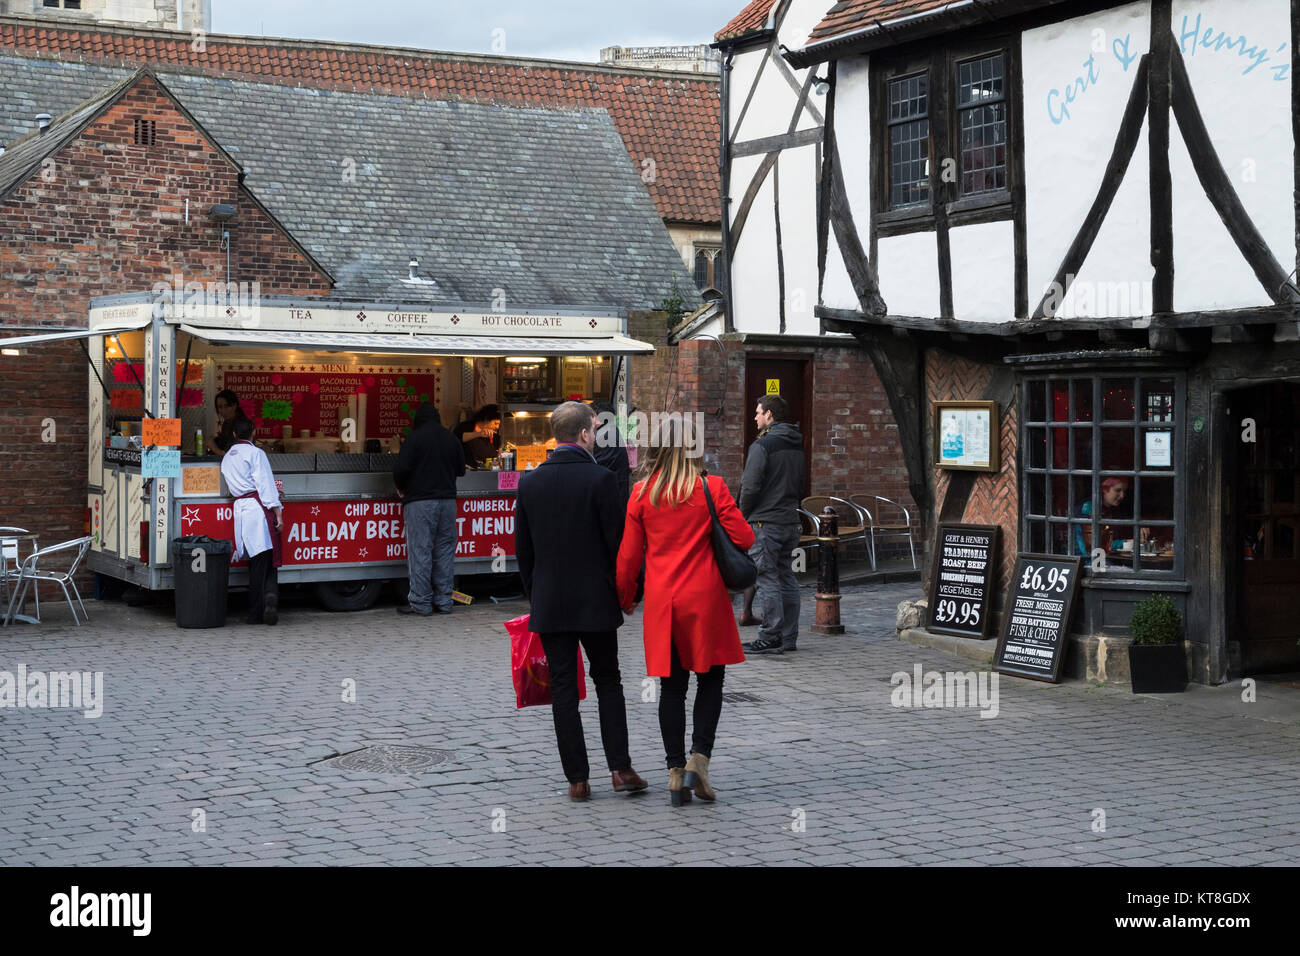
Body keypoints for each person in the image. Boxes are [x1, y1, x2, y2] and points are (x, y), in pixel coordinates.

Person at [514, 401, 648, 801]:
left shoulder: (530, 483)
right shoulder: (602, 480)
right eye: (595, 429)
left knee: (563, 691)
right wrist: (629, 593)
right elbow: (618, 548)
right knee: (608, 681)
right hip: (596, 601)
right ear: (586, 434)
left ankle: (577, 779)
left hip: (551, 602)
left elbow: (523, 551)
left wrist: (535, 594)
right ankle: (620, 768)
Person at [617, 430, 754, 807]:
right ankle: (700, 760)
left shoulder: (641, 493)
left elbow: (628, 558)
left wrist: (626, 599)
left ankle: (675, 772)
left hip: (665, 603)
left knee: (672, 689)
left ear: (654, 454)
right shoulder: (711, 487)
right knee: (711, 681)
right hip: (705, 597)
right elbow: (744, 538)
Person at [739, 394, 805, 655]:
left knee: (767, 578)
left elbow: (750, 486)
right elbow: (799, 483)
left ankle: (770, 635)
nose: (755, 417)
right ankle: (788, 636)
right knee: (786, 576)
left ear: (769, 415)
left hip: (765, 522)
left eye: (758, 412)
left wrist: (742, 515)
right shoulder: (796, 444)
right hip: (790, 519)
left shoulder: (762, 446)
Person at [393, 403, 465, 615]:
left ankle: (421, 603)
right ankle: (444, 601)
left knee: (421, 551)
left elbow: (402, 469)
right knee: (444, 552)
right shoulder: (451, 438)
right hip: (448, 502)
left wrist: (400, 487)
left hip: (420, 503)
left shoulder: (414, 439)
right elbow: (461, 470)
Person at [220, 417, 283, 625]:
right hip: (258, 510)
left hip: (241, 509)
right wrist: (278, 512)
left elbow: (232, 488)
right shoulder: (256, 453)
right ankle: (262, 606)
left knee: (256, 562)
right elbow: (265, 484)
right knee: (264, 560)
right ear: (254, 433)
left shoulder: (227, 457)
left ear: (235, 435)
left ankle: (260, 606)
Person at [591, 399, 631, 503]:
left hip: (611, 498)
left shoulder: (606, 436)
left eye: (591, 416)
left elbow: (593, 466)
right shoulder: (610, 431)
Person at [211, 389, 251, 456]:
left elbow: (230, 455)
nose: (223, 410)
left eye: (226, 406)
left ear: (234, 405)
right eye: (220, 407)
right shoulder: (226, 423)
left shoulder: (242, 424)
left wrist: (212, 446)